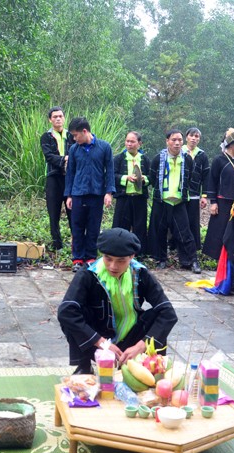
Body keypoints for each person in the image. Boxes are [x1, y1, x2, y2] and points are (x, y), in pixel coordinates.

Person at [57, 228, 178, 374]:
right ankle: (84, 366)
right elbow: (66, 312)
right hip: (98, 341)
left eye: (121, 261)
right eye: (108, 259)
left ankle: (151, 365)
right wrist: (102, 343)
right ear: (101, 255)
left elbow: (168, 313)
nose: (113, 266)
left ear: (132, 256)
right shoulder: (88, 274)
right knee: (71, 312)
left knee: (159, 315)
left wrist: (141, 345)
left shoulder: (140, 274)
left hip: (132, 340)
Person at [64, 117, 115, 272]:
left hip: (96, 193)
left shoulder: (104, 147)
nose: (74, 138)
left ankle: (91, 258)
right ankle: (78, 259)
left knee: (93, 227)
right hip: (78, 193)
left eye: (76, 135)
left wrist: (109, 192)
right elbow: (70, 173)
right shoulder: (74, 149)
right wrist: (69, 195)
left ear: (84, 131)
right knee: (77, 227)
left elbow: (110, 171)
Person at [148, 129, 201, 273]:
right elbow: (152, 178)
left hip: (179, 202)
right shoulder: (158, 158)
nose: (177, 143)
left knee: (185, 232)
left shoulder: (187, 159)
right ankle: (161, 259)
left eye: (179, 140)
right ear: (167, 141)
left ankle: (192, 261)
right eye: (173, 140)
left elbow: (189, 178)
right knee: (160, 231)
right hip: (162, 201)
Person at [202, 128, 234, 260]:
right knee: (220, 230)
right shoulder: (219, 160)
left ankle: (233, 257)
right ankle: (219, 259)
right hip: (222, 202)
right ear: (232, 144)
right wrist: (213, 202)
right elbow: (212, 180)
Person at [40, 107, 74, 251]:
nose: (58, 119)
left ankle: (75, 242)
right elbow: (49, 156)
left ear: (64, 118)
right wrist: (64, 159)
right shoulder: (46, 137)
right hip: (54, 178)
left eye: (60, 116)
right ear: (50, 120)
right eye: (55, 117)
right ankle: (57, 244)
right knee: (53, 213)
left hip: (70, 178)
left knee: (73, 211)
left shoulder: (71, 135)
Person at [112, 131, 149, 257]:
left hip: (139, 198)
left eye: (132, 142)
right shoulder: (119, 158)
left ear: (139, 143)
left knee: (140, 227)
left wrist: (144, 179)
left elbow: (151, 177)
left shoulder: (144, 159)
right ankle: (118, 252)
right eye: (127, 141)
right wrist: (125, 178)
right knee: (120, 226)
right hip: (124, 198)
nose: (129, 144)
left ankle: (139, 254)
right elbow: (112, 175)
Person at [181, 127, 210, 250]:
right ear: (186, 137)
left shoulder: (202, 155)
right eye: (191, 136)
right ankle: (176, 246)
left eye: (196, 136)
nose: (193, 138)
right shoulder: (179, 152)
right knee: (180, 221)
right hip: (179, 194)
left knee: (193, 222)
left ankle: (194, 248)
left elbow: (206, 177)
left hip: (194, 194)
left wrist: (204, 196)